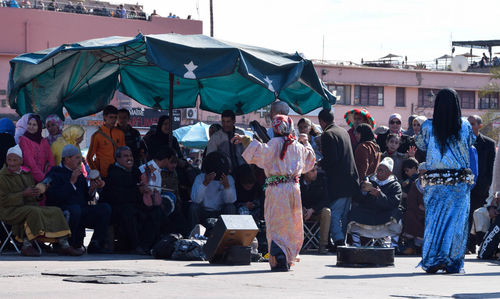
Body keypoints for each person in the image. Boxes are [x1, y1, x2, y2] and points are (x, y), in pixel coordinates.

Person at [235, 114, 316, 271]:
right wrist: (306, 142)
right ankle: (288, 256)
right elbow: (310, 161)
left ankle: (278, 257)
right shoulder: (297, 146)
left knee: (276, 224)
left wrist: (245, 140)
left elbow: (259, 154)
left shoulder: (273, 144)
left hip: (276, 190)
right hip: (294, 189)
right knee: (291, 224)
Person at [415, 88, 475, 274]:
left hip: (435, 182)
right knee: (456, 224)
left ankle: (433, 260)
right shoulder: (465, 126)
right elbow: (470, 143)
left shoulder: (427, 127)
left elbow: (421, 144)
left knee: (434, 222)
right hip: (459, 182)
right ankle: (453, 262)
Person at [0, 145, 83, 256]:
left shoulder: (26, 174)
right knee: (33, 211)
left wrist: (39, 193)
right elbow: (3, 199)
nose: (12, 163)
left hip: (27, 206)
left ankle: (63, 244)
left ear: (21, 161)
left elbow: (33, 196)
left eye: (15, 160)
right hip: (9, 210)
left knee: (56, 211)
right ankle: (26, 245)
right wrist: (23, 194)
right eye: (9, 160)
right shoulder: (2, 176)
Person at [46, 144, 111, 253]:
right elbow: (54, 197)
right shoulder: (55, 172)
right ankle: (67, 245)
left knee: (105, 208)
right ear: (67, 159)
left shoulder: (79, 174)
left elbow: (86, 197)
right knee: (75, 209)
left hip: (80, 209)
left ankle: (95, 243)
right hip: (63, 210)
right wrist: (71, 182)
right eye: (77, 158)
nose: (80, 160)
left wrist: (92, 189)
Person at [101, 146, 157, 254]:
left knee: (155, 211)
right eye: (126, 156)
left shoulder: (135, 171)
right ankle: (135, 245)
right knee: (129, 211)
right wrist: (137, 191)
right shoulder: (113, 173)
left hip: (133, 203)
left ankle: (148, 244)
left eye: (130, 155)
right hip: (116, 206)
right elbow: (117, 196)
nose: (129, 158)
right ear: (117, 158)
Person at [318, 108, 359, 249]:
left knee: (334, 213)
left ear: (321, 122)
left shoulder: (328, 134)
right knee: (344, 215)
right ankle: (342, 240)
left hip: (338, 181)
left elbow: (331, 159)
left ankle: (339, 241)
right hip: (350, 180)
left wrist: (320, 163)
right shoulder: (343, 131)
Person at [348, 157, 403, 248]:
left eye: (382, 170)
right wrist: (363, 191)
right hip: (369, 211)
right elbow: (359, 199)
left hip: (385, 213)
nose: (379, 172)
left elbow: (394, 203)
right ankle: (356, 243)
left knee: (397, 213)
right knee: (354, 211)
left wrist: (379, 195)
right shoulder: (370, 180)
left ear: (389, 173)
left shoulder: (395, 185)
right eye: (379, 169)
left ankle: (393, 245)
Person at [467, 115, 496, 253]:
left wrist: (487, 187)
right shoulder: (461, 143)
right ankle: (467, 245)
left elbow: (492, 169)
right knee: (465, 216)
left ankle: (477, 243)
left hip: (481, 188)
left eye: (472, 123)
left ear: (479, 125)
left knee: (476, 216)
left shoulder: (489, 143)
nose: (470, 126)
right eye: (468, 123)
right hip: (465, 187)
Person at [189, 151, 237, 230]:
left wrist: (227, 187)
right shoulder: (200, 178)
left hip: (220, 211)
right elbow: (196, 200)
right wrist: (205, 183)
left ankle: (229, 234)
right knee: (193, 207)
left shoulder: (228, 179)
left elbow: (231, 201)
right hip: (204, 211)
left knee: (231, 207)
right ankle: (193, 233)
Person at [86, 105, 125, 178]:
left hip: (119, 174)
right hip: (104, 175)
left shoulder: (120, 134)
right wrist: (97, 174)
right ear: (105, 117)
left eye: (115, 117)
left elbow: (124, 154)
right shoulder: (96, 136)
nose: (113, 120)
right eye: (111, 117)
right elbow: (89, 157)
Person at [300, 164, 331, 254]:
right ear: (305, 172)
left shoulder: (321, 179)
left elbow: (326, 200)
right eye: (312, 171)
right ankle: (298, 244)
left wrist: (312, 209)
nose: (315, 173)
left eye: (316, 170)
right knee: (295, 211)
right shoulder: (298, 181)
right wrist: (301, 207)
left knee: (327, 211)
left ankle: (322, 245)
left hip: (316, 211)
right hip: (302, 211)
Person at [18, 115, 55, 185]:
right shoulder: (23, 140)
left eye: (34, 125)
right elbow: (29, 163)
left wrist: (49, 176)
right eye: (29, 124)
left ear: (39, 127)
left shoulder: (44, 141)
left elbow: (51, 161)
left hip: (45, 180)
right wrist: (43, 178)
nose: (31, 127)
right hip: (29, 180)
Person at [399, 159, 425, 255]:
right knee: (409, 216)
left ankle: (421, 246)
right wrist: (417, 206)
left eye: (425, 173)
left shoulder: (433, 185)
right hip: (416, 210)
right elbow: (411, 199)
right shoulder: (415, 184)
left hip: (429, 211)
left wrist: (426, 207)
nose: (422, 176)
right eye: (421, 173)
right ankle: (412, 246)